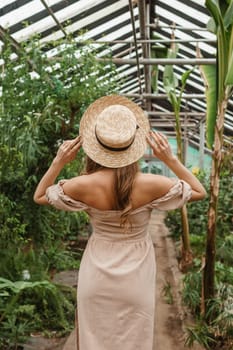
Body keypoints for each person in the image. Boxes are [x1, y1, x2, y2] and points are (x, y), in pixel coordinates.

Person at [34, 95, 206, 350]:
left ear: (96, 145)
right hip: (136, 278)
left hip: (97, 276)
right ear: (133, 145)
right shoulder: (151, 184)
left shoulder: (82, 185)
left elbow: (40, 196)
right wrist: (170, 159)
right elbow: (199, 191)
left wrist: (59, 161)